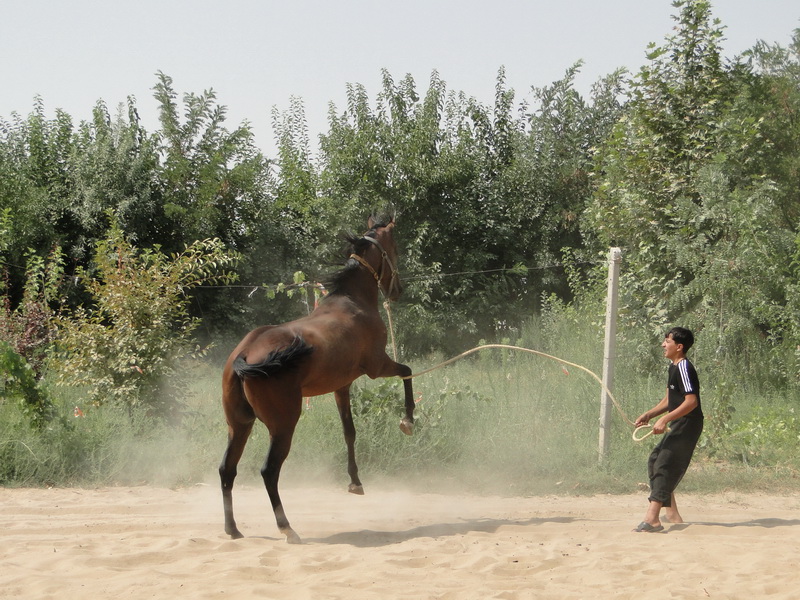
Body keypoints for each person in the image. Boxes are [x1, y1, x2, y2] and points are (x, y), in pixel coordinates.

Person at [633, 327, 703, 533]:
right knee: (655, 460)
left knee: (664, 463)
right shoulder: (673, 367)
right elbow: (669, 400)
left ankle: (652, 518)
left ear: (679, 347)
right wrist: (650, 415)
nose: (663, 345)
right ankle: (672, 513)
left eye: (667, 341)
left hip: (688, 424)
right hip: (679, 422)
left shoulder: (684, 367)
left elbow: (691, 402)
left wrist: (665, 420)